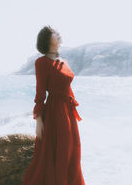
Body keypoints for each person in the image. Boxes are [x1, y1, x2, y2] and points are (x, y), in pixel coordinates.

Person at [21, 25, 86, 185]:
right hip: (55, 111)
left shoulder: (64, 61)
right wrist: (38, 121)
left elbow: (67, 86)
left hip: (68, 110)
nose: (58, 34)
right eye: (54, 33)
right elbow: (40, 94)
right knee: (62, 150)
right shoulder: (41, 62)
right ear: (47, 40)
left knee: (73, 149)